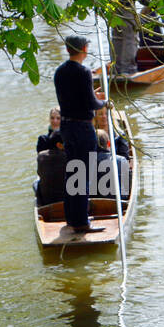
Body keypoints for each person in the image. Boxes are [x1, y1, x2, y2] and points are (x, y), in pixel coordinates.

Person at [53, 36, 108, 233]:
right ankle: (82, 222)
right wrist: (104, 102)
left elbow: (74, 98)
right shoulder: (83, 72)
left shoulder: (59, 72)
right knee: (82, 174)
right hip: (82, 128)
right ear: (84, 49)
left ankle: (73, 218)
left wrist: (93, 97)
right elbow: (91, 103)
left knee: (72, 173)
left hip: (66, 127)